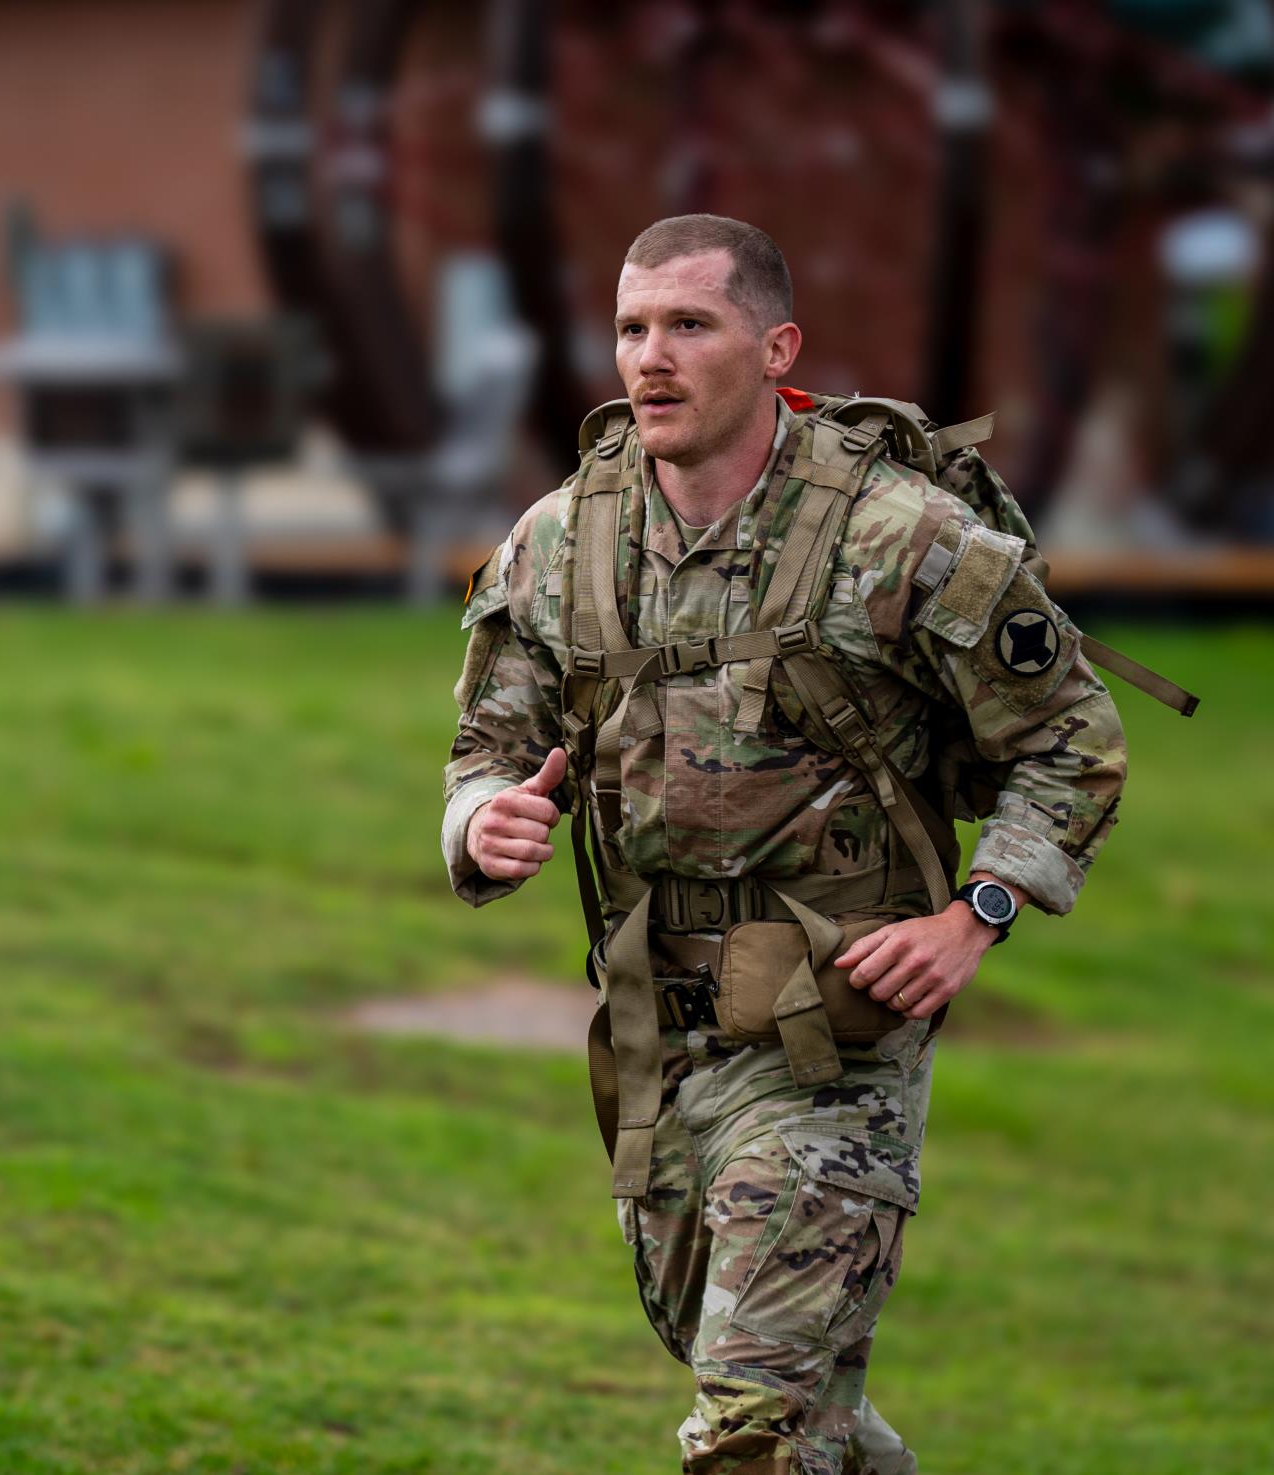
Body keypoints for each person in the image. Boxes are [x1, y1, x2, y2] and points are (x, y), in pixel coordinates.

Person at [441, 214, 1128, 1474]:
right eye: (633, 328)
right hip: (657, 1028)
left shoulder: (900, 537)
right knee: (804, 1412)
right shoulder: (560, 542)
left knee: (747, 1425)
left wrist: (980, 910)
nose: (651, 357)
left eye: (690, 325)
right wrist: (482, 821)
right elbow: (485, 750)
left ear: (775, 348)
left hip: (835, 1028)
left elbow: (1072, 739)